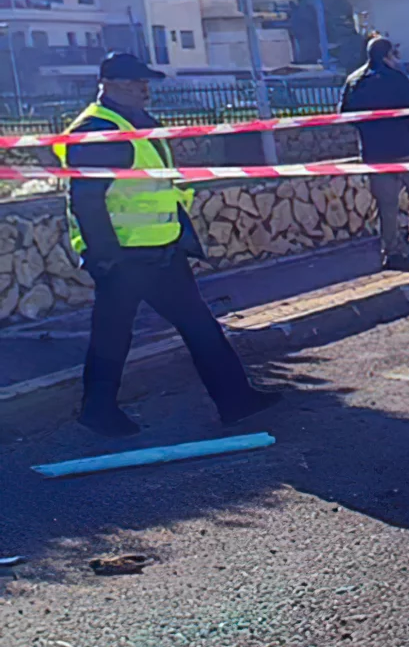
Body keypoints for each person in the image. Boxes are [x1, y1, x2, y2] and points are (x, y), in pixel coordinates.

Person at [57, 52, 279, 436]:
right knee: (117, 334)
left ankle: (236, 400)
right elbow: (87, 201)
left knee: (196, 326)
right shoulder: (97, 130)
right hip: (125, 256)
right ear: (113, 85)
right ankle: (98, 410)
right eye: (137, 82)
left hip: (160, 249)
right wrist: (106, 257)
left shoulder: (134, 123)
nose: (145, 89)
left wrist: (178, 236)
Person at [341, 37, 409, 272]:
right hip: (404, 149)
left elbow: (345, 116)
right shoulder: (398, 78)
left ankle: (392, 253)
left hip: (374, 152)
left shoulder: (354, 81)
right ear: (387, 55)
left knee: (387, 205)